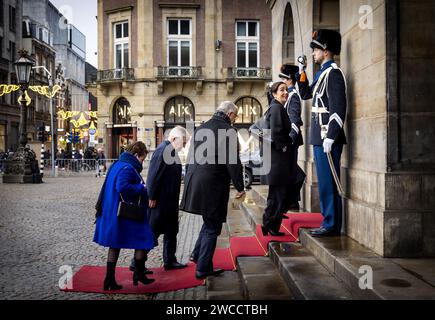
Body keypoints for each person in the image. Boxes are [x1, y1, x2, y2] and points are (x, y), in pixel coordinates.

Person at [180, 101, 245, 279]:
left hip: (195, 179)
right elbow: (233, 161)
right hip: (213, 183)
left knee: (209, 220)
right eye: (236, 115)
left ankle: (196, 253)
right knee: (213, 226)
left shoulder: (201, 128)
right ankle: (203, 267)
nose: (235, 119)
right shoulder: (229, 130)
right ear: (230, 113)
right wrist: (240, 187)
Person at [297, 29, 347, 237]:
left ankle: (331, 224)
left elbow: (338, 108)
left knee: (329, 182)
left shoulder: (334, 73)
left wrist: (331, 135)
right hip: (320, 136)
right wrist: (302, 70)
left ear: (325, 50)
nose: (313, 54)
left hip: (327, 136)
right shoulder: (322, 74)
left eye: (316, 50)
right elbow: (306, 94)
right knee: (325, 181)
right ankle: (330, 222)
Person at [93, 141, 155, 290]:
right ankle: (138, 273)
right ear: (135, 155)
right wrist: (142, 187)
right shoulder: (128, 168)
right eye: (142, 158)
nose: (142, 162)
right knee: (145, 238)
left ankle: (109, 280)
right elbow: (122, 187)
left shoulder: (118, 164)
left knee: (115, 244)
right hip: (124, 212)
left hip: (113, 211)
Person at [129, 126, 188, 272]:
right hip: (160, 201)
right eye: (183, 142)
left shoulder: (171, 151)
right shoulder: (163, 150)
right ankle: (136, 262)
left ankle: (169, 260)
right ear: (174, 139)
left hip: (169, 200)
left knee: (171, 231)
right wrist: (152, 196)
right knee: (152, 232)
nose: (185, 145)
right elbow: (154, 175)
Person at [261, 81, 298, 236]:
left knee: (277, 194)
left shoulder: (276, 107)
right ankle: (271, 224)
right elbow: (276, 132)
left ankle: (269, 224)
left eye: (286, 90)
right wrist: (284, 146)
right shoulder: (277, 108)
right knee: (279, 194)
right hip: (279, 160)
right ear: (274, 93)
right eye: (281, 90)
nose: (285, 93)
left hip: (277, 160)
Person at [279, 64, 306, 211]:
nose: (282, 81)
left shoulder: (294, 96)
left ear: (290, 80)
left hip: (291, 140)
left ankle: (293, 201)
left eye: (284, 78)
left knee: (291, 170)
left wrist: (289, 140)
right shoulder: (288, 95)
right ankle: (291, 200)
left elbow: (294, 121)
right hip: (287, 138)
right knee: (289, 169)